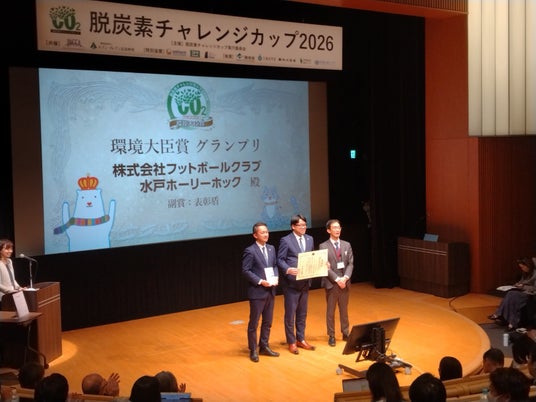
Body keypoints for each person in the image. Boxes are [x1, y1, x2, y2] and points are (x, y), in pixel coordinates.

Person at [277, 214, 316, 354]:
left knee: (302, 313)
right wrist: (287, 269)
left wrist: (322, 263)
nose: (304, 227)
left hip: (305, 281)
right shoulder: (286, 240)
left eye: (305, 225)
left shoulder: (309, 239)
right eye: (301, 225)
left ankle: (301, 339)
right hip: (291, 283)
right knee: (290, 314)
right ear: (293, 226)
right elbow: (280, 259)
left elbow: (312, 256)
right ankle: (291, 341)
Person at [242, 221, 279, 362]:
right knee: (254, 323)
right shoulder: (250, 251)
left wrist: (276, 277)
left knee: (268, 321)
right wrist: (260, 281)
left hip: (270, 290)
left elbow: (274, 265)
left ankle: (264, 346)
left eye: (267, 232)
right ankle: (253, 349)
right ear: (255, 235)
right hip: (257, 291)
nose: (266, 234)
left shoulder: (271, 248)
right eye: (262, 232)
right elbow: (246, 270)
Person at [319, 219, 354, 347]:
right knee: (331, 311)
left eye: (338, 227)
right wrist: (337, 279)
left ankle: (345, 332)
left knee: (344, 310)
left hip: (345, 282)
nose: (337, 230)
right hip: (332, 282)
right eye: (334, 227)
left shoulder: (346, 245)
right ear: (328, 230)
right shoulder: (323, 246)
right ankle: (331, 335)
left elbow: (350, 263)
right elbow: (324, 266)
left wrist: (345, 277)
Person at [488, 257, 536, 331]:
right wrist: (517, 284)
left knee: (512, 295)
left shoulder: (535, 274)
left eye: (523, 267)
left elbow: (534, 288)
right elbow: (522, 282)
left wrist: (523, 286)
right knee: (511, 296)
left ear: (528, 265)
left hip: (530, 294)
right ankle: (511, 323)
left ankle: (499, 314)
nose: (522, 269)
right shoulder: (525, 273)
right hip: (522, 292)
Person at [0, 239, 24, 305]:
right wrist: (11, 291)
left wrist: (19, 288)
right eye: (7, 249)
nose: (10, 251)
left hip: (13, 294)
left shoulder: (9, 261)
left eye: (11, 249)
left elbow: (12, 279)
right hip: (3, 297)